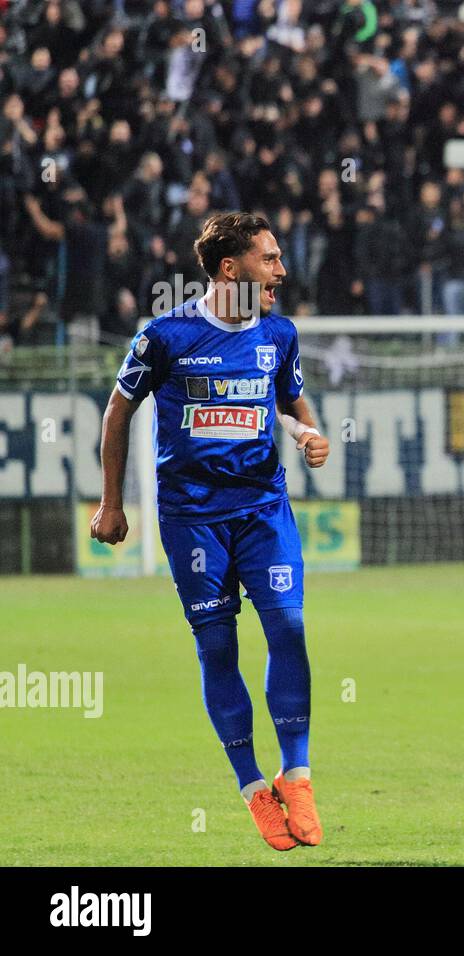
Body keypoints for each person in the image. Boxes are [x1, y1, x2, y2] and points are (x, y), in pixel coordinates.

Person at [90, 212, 329, 852]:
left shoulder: (279, 334)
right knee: (218, 647)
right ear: (231, 268)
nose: (282, 270)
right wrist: (112, 503)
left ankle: (297, 774)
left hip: (262, 508)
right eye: (270, 259)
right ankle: (254, 786)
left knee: (289, 627)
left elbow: (287, 398)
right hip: (192, 515)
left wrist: (306, 430)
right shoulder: (165, 337)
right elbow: (118, 410)